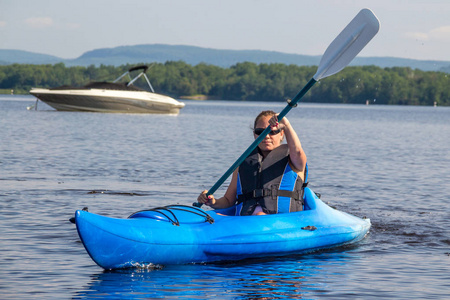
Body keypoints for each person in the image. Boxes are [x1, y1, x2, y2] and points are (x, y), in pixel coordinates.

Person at [197, 110, 307, 216]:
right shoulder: (242, 164)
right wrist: (212, 202)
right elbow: (228, 201)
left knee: (259, 215)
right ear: (254, 134)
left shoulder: (294, 160)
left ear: (282, 133)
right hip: (247, 221)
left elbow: (297, 151)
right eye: (260, 132)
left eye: (272, 131)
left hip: (281, 221)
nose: (266, 136)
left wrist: (286, 125)